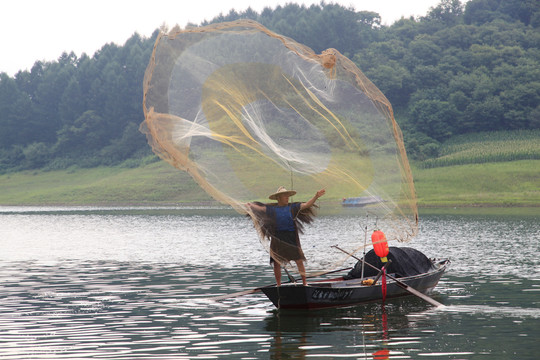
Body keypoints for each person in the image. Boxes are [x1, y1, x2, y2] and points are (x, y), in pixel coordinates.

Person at [247, 186, 325, 286]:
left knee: (299, 261)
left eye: (288, 196)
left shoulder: (293, 207)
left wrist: (316, 196)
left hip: (291, 236)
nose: (287, 198)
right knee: (276, 263)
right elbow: (262, 208)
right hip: (277, 238)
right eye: (285, 196)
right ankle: (278, 285)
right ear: (279, 198)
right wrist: (250, 206)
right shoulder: (272, 209)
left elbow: (306, 205)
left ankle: (305, 283)